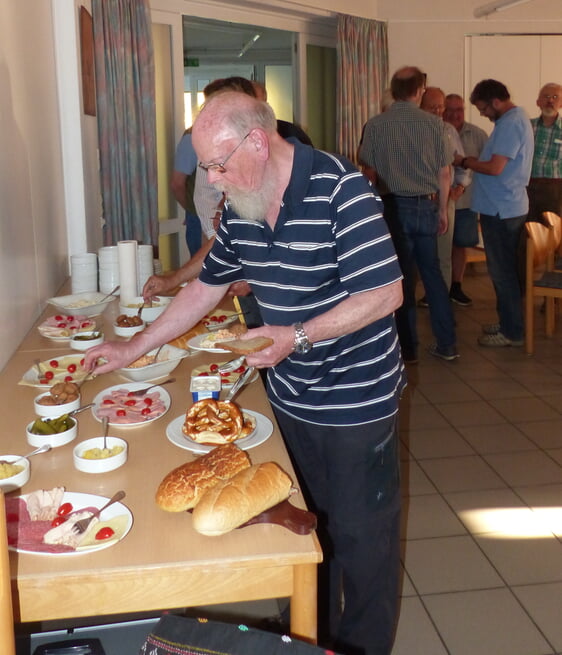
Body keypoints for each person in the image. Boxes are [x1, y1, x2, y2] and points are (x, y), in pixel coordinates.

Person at [86, 91, 406, 655]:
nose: (213, 179)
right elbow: (207, 287)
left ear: (257, 141)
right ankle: (309, 641)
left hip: (355, 400)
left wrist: (297, 336)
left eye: (217, 164)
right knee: (301, 529)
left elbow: (385, 293)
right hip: (288, 399)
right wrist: (133, 348)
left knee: (363, 542)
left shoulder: (343, 191)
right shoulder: (245, 202)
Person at [359, 66, 458, 363]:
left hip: (392, 208)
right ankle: (447, 344)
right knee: (433, 276)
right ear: (419, 91)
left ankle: (407, 348)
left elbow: (368, 173)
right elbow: (444, 173)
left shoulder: (376, 125)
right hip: (426, 205)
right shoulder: (435, 125)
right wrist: (442, 210)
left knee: (400, 279)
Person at [455, 79, 533, 347]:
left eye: (483, 108)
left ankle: (512, 333)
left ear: (496, 101)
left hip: (502, 210)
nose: (482, 114)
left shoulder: (511, 122)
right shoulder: (511, 120)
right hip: (504, 206)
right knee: (504, 271)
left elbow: (495, 168)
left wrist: (465, 161)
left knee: (503, 273)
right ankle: (508, 321)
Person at [418, 86, 470, 303]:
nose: (439, 111)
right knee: (420, 255)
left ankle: (441, 300)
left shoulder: (448, 130)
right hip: (419, 199)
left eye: (441, 107)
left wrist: (460, 186)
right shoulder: (413, 128)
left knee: (443, 255)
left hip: (445, 198)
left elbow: (460, 163)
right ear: (420, 106)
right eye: (433, 107)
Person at [443, 93, 488, 306]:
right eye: (449, 109)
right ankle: (438, 289)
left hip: (466, 202)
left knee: (460, 245)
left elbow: (488, 167)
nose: (454, 114)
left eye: (459, 109)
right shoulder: (435, 131)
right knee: (438, 248)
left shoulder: (478, 135)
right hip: (439, 202)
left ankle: (456, 286)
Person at [527, 82, 562, 221]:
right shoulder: (526, 126)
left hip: (555, 188)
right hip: (527, 185)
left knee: (553, 233)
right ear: (538, 102)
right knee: (527, 231)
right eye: (546, 96)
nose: (550, 100)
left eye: (555, 97)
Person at [171, 129, 204, 256]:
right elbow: (177, 184)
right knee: (202, 270)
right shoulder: (192, 138)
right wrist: (191, 209)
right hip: (199, 220)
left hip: (221, 217)